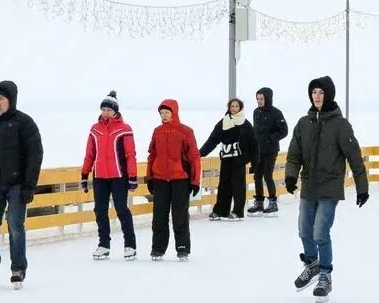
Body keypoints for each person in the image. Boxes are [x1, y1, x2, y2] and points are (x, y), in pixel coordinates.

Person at [285, 76, 369, 303]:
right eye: (313, 93)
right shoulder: (303, 123)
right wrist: (291, 177)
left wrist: (362, 187)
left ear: (328, 95)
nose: (317, 97)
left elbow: (354, 156)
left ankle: (325, 275)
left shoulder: (340, 125)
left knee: (320, 232)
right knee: (304, 230)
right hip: (309, 186)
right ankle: (312, 264)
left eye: (321, 92)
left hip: (330, 187)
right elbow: (294, 154)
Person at [0, 80, 43, 289]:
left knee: (15, 226)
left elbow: (35, 155)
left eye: (1, 99)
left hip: (17, 185)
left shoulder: (25, 123)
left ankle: (18, 269)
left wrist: (29, 186)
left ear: (10, 100)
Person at [81, 91, 138, 260]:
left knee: (121, 210)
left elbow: (130, 155)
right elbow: (89, 154)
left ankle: (130, 245)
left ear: (115, 111)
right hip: (99, 177)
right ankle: (103, 244)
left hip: (119, 176)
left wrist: (133, 177)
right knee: (100, 210)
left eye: (108, 109)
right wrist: (85, 174)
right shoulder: (95, 129)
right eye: (103, 109)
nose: (105, 112)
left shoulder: (124, 129)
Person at [146, 99, 201, 260]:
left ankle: (182, 248)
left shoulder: (186, 131)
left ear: (174, 113)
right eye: (161, 113)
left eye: (166, 113)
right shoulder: (157, 131)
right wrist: (150, 177)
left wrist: (195, 180)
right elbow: (152, 155)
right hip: (160, 179)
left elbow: (194, 157)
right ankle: (158, 248)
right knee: (159, 217)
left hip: (180, 179)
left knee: (180, 215)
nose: (164, 116)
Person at [199, 98, 258, 221]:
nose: (234, 109)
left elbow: (253, 145)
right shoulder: (223, 122)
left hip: (240, 160)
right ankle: (220, 211)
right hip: (226, 159)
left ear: (240, 108)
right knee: (223, 186)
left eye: (237, 106)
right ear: (229, 108)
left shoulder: (246, 124)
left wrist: (254, 163)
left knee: (238, 186)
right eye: (232, 106)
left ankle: (238, 211)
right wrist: (200, 153)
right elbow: (213, 140)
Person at [249, 87, 288, 216]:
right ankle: (259, 203)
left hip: (271, 150)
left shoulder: (276, 113)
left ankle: (273, 203)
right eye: (258, 99)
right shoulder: (256, 112)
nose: (259, 101)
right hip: (258, 150)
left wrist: (271, 138)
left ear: (268, 98)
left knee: (267, 175)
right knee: (257, 176)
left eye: (261, 99)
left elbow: (284, 131)